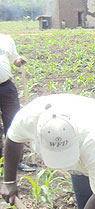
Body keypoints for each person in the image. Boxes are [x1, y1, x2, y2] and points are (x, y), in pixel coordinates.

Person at [0, 33, 34, 171]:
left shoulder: (6, 39)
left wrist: (19, 60)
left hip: (6, 86)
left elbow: (14, 59)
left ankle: (16, 162)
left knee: (14, 123)